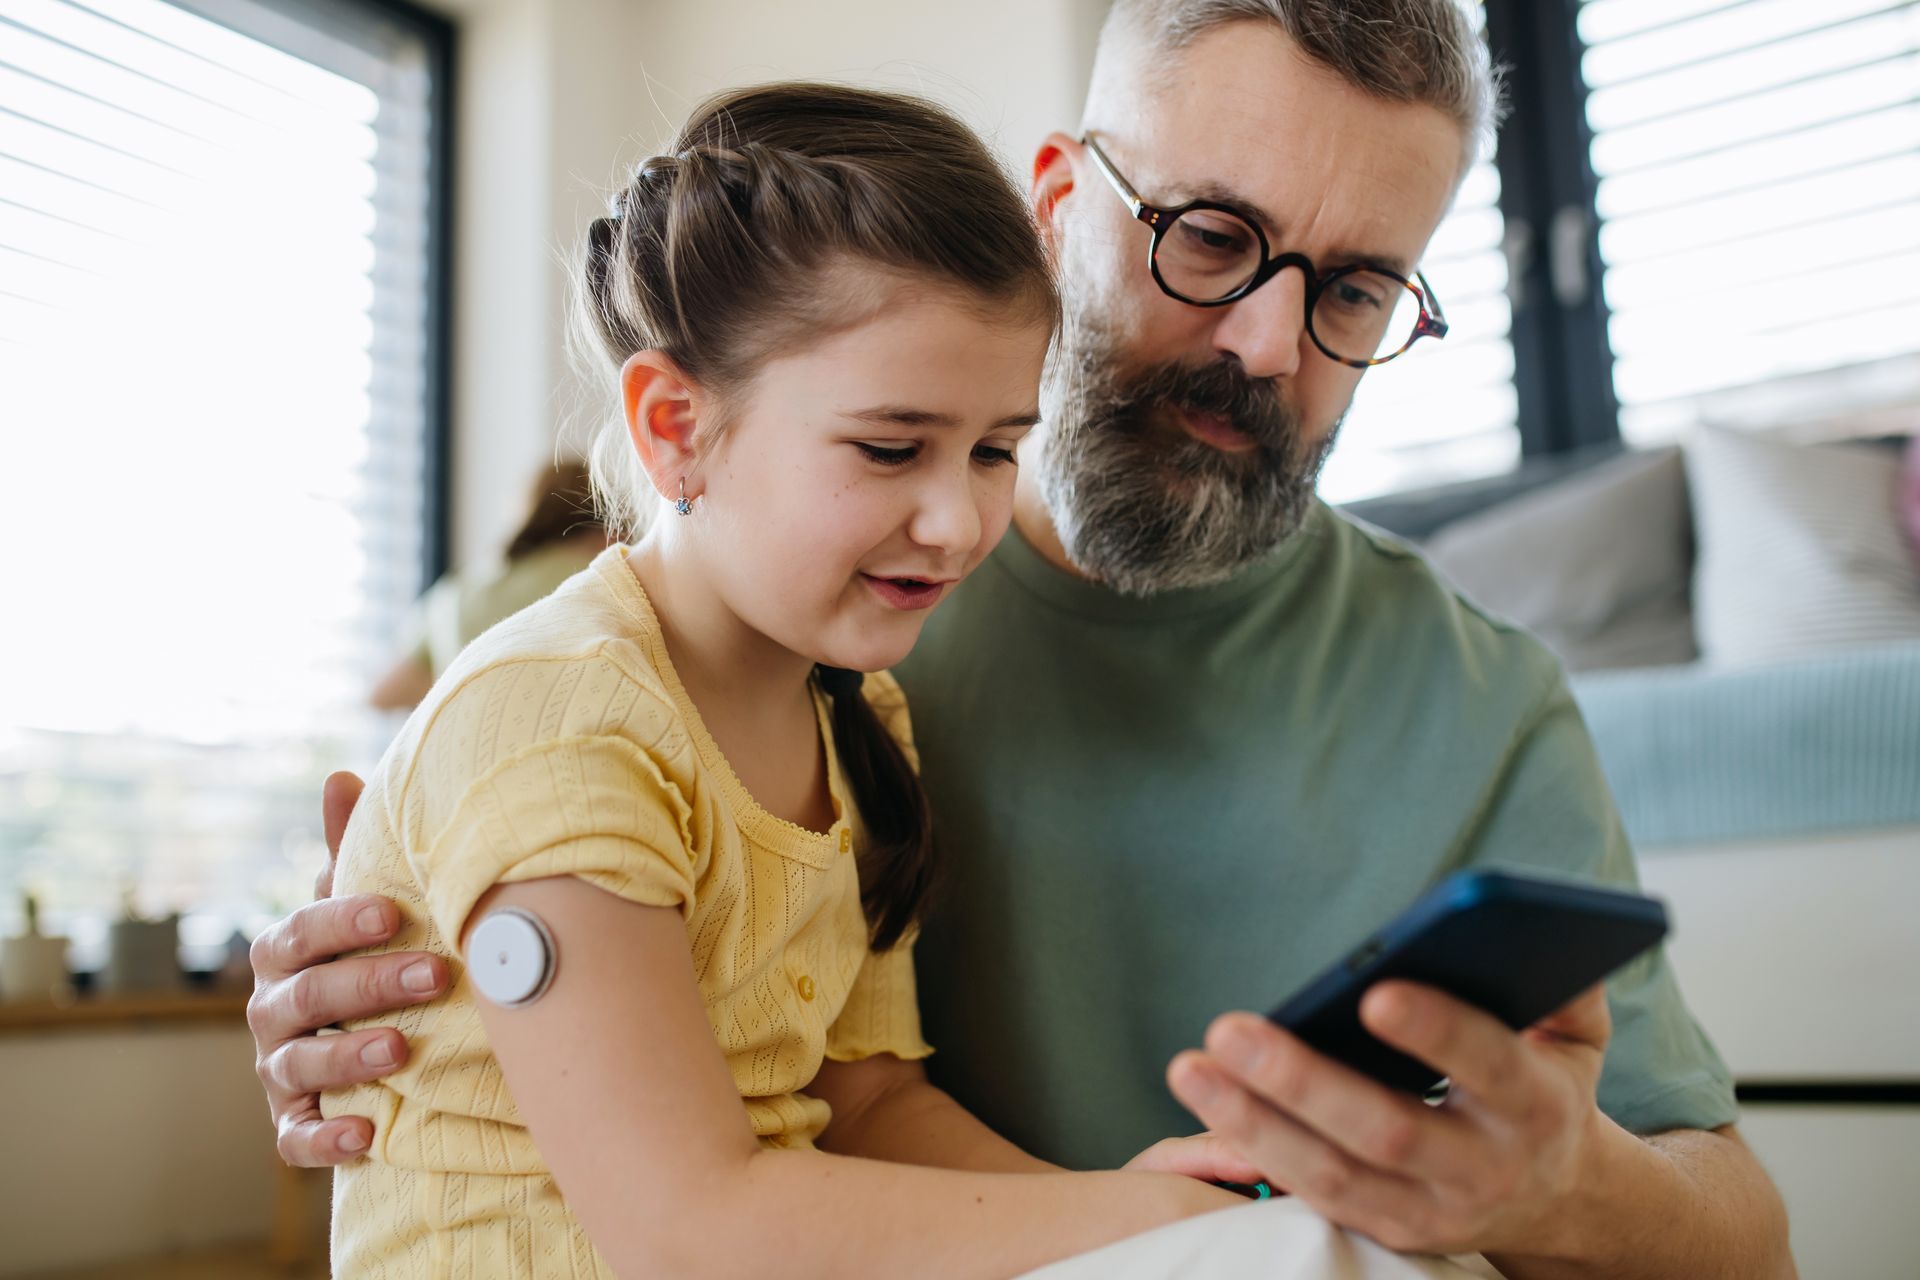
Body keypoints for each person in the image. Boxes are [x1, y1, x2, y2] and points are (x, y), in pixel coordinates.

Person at [250, 4, 1795, 1277]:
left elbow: (855, 1098)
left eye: (1360, 288)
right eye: (1210, 236)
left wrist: (1552, 1190)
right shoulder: (783, 632)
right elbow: (617, 1139)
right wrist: (403, 990)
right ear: (1063, 206)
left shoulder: (1475, 697)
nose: (1268, 341)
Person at [312, 80, 1343, 1278]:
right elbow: (685, 1225)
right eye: (891, 447)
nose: (959, 520)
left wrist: (1124, 1199)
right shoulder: (564, 722)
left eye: (996, 449)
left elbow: (869, 1107)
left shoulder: (855, 716)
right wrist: (1147, 1228)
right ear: (675, 425)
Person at [368, 459, 607, 711]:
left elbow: (383, 695)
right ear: (604, 516)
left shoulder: (458, 589)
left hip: (465, 743)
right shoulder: (598, 578)